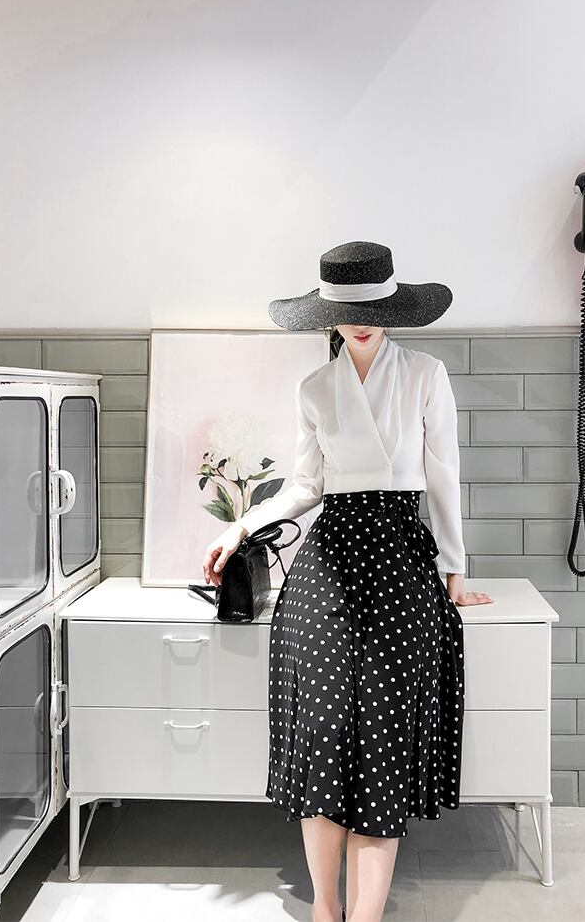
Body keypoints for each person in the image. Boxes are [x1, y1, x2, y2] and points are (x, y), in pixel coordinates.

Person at [202, 241, 493, 922]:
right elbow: (306, 486)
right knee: (325, 730)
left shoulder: (425, 374)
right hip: (329, 562)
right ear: (327, 315)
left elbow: (443, 475)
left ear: (391, 309)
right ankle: (325, 908)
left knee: (383, 736)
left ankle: (364, 915)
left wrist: (454, 571)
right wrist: (240, 525)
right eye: (346, 310)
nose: (360, 322)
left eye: (371, 309)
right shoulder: (314, 388)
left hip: (400, 556)